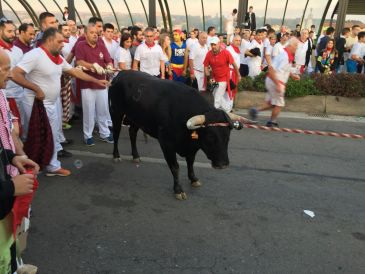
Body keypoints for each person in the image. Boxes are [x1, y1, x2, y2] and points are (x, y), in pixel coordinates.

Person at [12, 27, 109, 176]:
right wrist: (35, 88)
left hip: (51, 103)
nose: (63, 44)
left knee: (53, 134)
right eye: (59, 41)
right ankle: (32, 167)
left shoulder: (57, 56)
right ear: (49, 40)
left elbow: (74, 71)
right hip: (34, 103)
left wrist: (97, 81)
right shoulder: (35, 55)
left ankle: (50, 165)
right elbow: (15, 74)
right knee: (32, 135)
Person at [74, 25, 114, 146]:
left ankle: (104, 133)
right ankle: (88, 135)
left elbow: (108, 60)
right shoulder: (81, 45)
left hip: (102, 83)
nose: (95, 34)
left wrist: (109, 66)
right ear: (85, 34)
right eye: (92, 32)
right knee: (88, 112)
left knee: (103, 110)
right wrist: (93, 66)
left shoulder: (101, 46)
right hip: (87, 85)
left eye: (96, 33)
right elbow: (79, 61)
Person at [249, 38, 300, 127]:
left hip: (273, 80)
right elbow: (271, 69)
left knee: (272, 103)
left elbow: (284, 68)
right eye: (296, 46)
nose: (297, 48)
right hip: (276, 81)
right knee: (279, 104)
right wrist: (278, 85)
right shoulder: (284, 56)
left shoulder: (287, 55)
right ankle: (272, 121)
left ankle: (255, 110)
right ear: (290, 45)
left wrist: (292, 75)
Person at [0, 19, 25, 138]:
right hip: (5, 95)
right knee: (8, 130)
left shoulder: (18, 50)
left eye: (14, 31)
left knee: (19, 127)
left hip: (20, 94)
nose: (13, 34)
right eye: (9, 31)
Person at [204, 36, 240, 113]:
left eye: (214, 44)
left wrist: (238, 75)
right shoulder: (209, 54)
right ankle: (227, 109)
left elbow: (234, 64)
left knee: (217, 97)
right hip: (214, 78)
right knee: (215, 95)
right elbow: (206, 66)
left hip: (224, 78)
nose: (213, 46)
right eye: (212, 45)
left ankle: (214, 114)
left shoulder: (226, 53)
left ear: (219, 44)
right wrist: (209, 78)